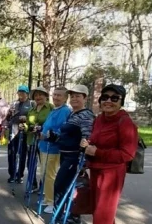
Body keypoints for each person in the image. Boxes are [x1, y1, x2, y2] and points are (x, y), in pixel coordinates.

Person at [81, 84, 138, 224]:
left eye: (114, 98)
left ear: (121, 102)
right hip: (95, 170)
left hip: (111, 175)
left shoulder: (125, 122)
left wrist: (97, 152)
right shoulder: (99, 118)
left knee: (103, 215)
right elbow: (96, 139)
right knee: (98, 211)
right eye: (105, 97)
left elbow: (127, 154)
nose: (109, 101)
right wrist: (87, 143)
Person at [51, 85, 94, 223]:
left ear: (85, 98)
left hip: (74, 158)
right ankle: (67, 216)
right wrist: (52, 137)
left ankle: (62, 217)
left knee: (60, 185)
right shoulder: (72, 114)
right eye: (73, 96)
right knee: (65, 187)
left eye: (78, 96)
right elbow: (66, 135)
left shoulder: (86, 115)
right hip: (65, 155)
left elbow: (87, 139)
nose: (74, 99)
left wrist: (83, 162)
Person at [39, 86, 71, 214]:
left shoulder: (64, 111)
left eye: (59, 95)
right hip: (44, 146)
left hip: (52, 147)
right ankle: (47, 198)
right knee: (44, 174)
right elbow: (47, 126)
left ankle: (52, 201)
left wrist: (47, 135)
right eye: (55, 94)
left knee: (50, 175)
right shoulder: (54, 110)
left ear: (65, 98)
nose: (56, 97)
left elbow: (61, 130)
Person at [24, 86, 54, 191]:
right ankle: (32, 184)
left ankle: (43, 186)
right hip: (32, 140)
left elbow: (53, 123)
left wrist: (42, 128)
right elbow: (28, 124)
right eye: (36, 95)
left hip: (44, 141)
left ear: (46, 96)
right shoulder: (31, 110)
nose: (38, 97)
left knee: (44, 164)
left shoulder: (51, 108)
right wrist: (25, 127)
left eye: (41, 94)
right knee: (31, 163)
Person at [6, 85, 35, 184]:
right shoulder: (14, 103)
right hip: (13, 130)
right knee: (12, 154)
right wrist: (9, 113)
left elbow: (34, 117)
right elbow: (8, 118)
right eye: (19, 92)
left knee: (22, 154)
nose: (21, 94)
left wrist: (26, 120)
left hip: (24, 131)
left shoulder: (31, 103)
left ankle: (20, 175)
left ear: (27, 94)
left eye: (23, 93)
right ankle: (12, 175)